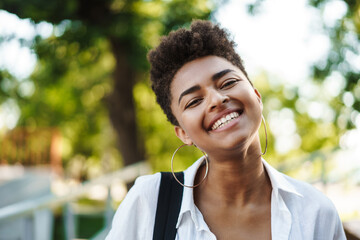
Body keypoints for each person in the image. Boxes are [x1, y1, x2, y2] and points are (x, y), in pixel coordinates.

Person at [105, 20, 346, 240]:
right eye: (193, 101)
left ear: (256, 96)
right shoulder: (149, 201)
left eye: (228, 83)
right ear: (182, 133)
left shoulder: (316, 213)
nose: (216, 100)